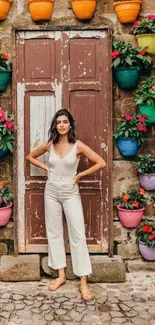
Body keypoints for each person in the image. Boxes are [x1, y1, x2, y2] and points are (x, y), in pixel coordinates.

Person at [26, 109, 106, 301]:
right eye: (58, 122)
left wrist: (79, 175)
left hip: (70, 191)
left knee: (77, 233)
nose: (61, 125)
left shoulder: (78, 146)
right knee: (54, 232)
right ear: (55, 125)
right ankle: (61, 275)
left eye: (65, 122)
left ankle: (83, 281)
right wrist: (45, 167)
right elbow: (30, 156)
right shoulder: (49, 145)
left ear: (70, 125)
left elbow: (101, 162)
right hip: (51, 190)